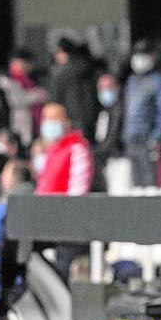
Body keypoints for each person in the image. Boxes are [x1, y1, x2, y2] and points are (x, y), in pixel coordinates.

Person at [35, 103, 93, 278]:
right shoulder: (52, 150)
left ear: (66, 122)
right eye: (46, 119)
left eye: (53, 119)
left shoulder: (77, 148)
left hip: (68, 229)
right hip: (49, 226)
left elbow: (77, 191)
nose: (48, 124)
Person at [122, 41, 161, 187]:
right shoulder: (132, 81)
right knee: (135, 180)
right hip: (130, 137)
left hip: (147, 138)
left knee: (150, 180)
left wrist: (157, 136)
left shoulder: (157, 81)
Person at [48, 37, 100, 139]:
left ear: (65, 53)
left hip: (71, 121)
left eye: (59, 52)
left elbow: (55, 100)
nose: (56, 56)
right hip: (89, 119)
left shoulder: (62, 74)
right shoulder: (88, 69)